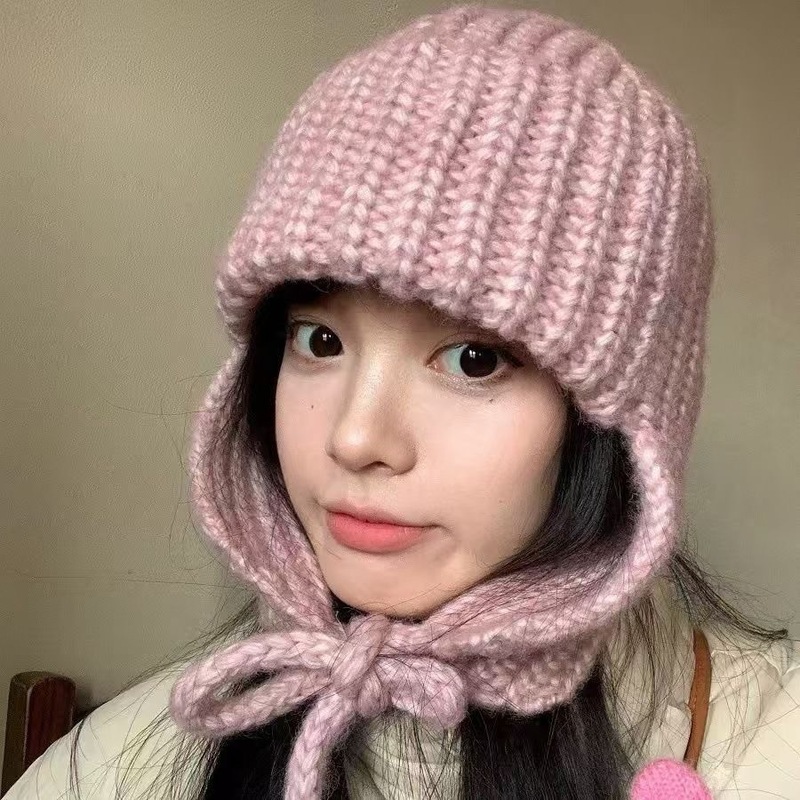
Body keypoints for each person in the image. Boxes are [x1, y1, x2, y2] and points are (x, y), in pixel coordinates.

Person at [7, 4, 798, 799]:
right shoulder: (106, 770)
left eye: (474, 359)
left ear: (614, 427)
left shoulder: (773, 748)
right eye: (320, 341)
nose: (356, 438)